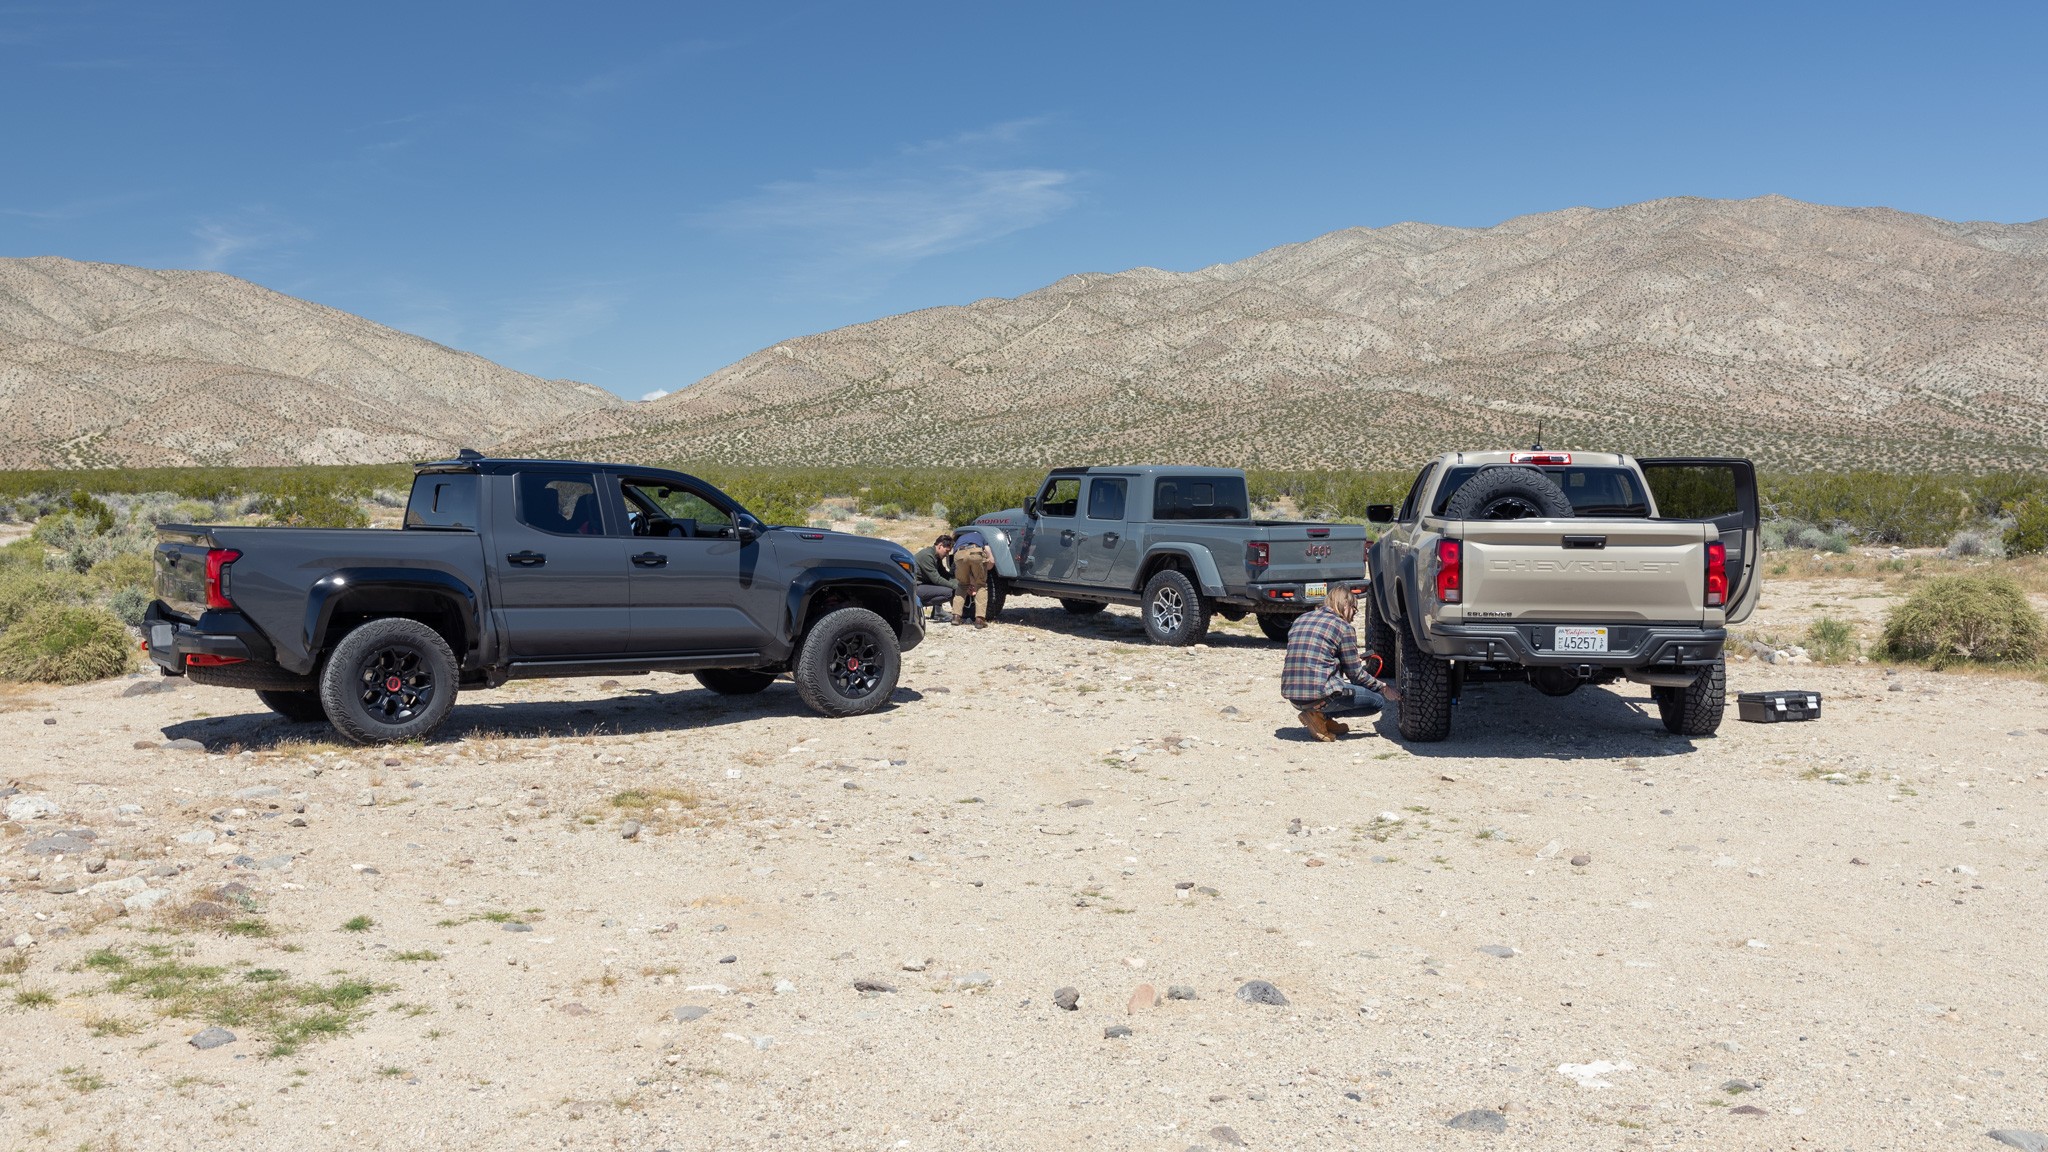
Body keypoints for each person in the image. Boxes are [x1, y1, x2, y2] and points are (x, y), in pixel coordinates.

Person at [1280, 585, 1400, 742]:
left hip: (1293, 695)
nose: (1354, 615)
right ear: (1345, 605)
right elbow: (1356, 675)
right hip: (1318, 696)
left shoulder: (1301, 619)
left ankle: (1321, 718)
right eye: (1354, 609)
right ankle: (1319, 715)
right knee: (1377, 701)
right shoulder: (1344, 627)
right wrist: (1383, 687)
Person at [950, 528, 994, 629]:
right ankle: (979, 619)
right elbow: (990, 558)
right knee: (981, 586)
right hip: (976, 552)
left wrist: (970, 578)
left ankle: (956, 617)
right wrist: (986, 568)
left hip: (959, 554)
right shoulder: (981, 537)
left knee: (962, 585)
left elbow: (963, 559)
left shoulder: (960, 538)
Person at [912, 534, 957, 622]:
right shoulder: (927, 556)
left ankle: (937, 611)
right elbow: (936, 579)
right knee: (949, 592)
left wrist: (960, 583)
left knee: (947, 586)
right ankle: (916, 605)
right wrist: (956, 587)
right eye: (946, 551)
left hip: (923, 585)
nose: (947, 555)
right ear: (940, 546)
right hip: (915, 587)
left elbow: (944, 574)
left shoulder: (936, 556)